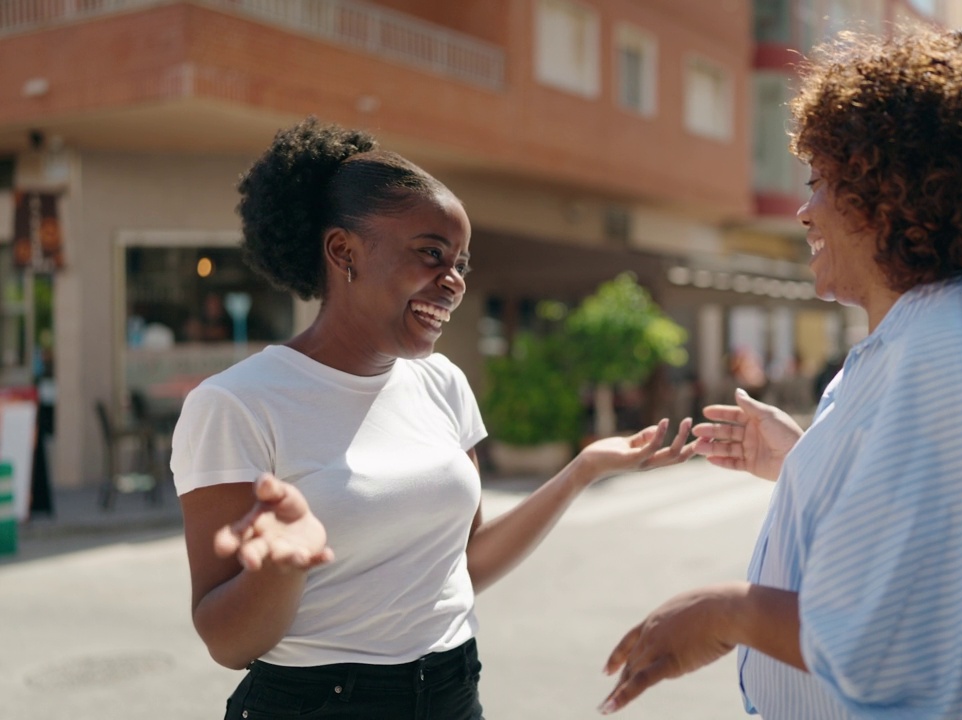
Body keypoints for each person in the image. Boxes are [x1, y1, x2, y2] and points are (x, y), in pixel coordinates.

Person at [599, 24, 962, 718]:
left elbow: (953, 653)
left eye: (822, 182)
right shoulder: (930, 338)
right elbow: (924, 526)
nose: (803, 208)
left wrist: (729, 612)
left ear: (897, 193)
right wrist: (805, 462)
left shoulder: (951, 356)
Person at [172, 117, 695, 720]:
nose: (452, 283)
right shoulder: (236, 403)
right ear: (344, 251)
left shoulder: (441, 382)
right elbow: (227, 641)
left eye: (462, 264)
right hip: (317, 702)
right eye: (430, 254)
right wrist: (285, 567)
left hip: (451, 687)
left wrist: (583, 469)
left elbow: (464, 565)